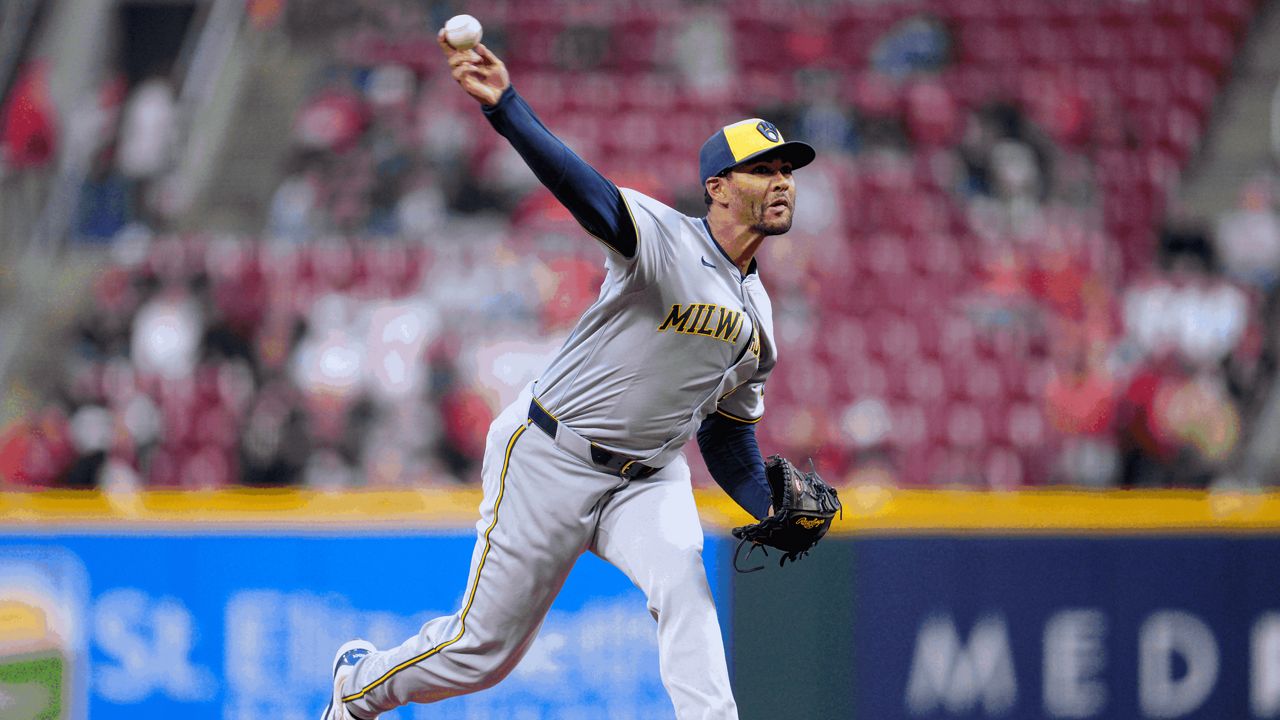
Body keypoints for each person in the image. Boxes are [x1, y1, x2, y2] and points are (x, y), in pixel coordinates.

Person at [322, 28, 815, 720]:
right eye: (764, 169)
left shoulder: (760, 313)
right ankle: (360, 684)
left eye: (787, 171)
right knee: (480, 653)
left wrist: (767, 503)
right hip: (550, 454)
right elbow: (582, 188)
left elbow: (727, 435)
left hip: (649, 475)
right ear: (717, 188)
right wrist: (507, 108)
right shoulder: (666, 239)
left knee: (684, 588)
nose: (782, 182)